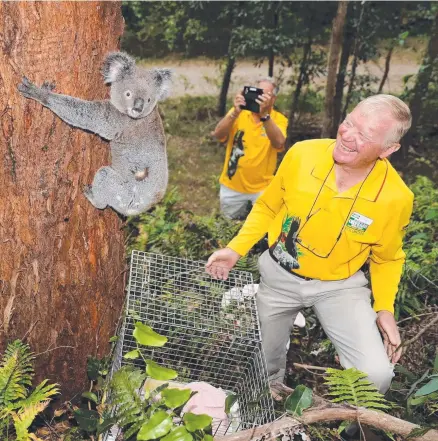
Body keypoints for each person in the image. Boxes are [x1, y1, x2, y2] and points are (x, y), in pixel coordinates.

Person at [206, 95, 414, 400]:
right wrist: (235, 249)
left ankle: (353, 427)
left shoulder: (396, 197)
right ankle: (266, 398)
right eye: (348, 123)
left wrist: (385, 308)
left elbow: (387, 258)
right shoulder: (303, 154)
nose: (347, 136)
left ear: (387, 149)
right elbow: (267, 205)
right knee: (263, 364)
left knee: (377, 374)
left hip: (339, 286)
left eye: (365, 135)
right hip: (279, 274)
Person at [212, 77, 288, 220]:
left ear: (273, 99)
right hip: (232, 186)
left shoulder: (278, 119)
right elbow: (218, 134)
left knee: (260, 232)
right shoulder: (239, 114)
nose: (261, 99)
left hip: (263, 189)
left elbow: (279, 142)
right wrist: (234, 113)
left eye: (266, 95)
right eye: (259, 93)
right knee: (227, 228)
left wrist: (265, 116)